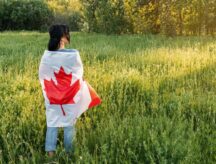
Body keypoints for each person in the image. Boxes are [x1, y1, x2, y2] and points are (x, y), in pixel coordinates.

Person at [39, 24, 101, 157]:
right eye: (67, 33)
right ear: (62, 37)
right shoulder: (73, 55)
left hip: (52, 97)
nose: (69, 36)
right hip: (70, 95)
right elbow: (78, 74)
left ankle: (50, 155)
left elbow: (43, 76)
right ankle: (70, 154)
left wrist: (55, 90)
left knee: (52, 122)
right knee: (69, 123)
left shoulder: (46, 56)